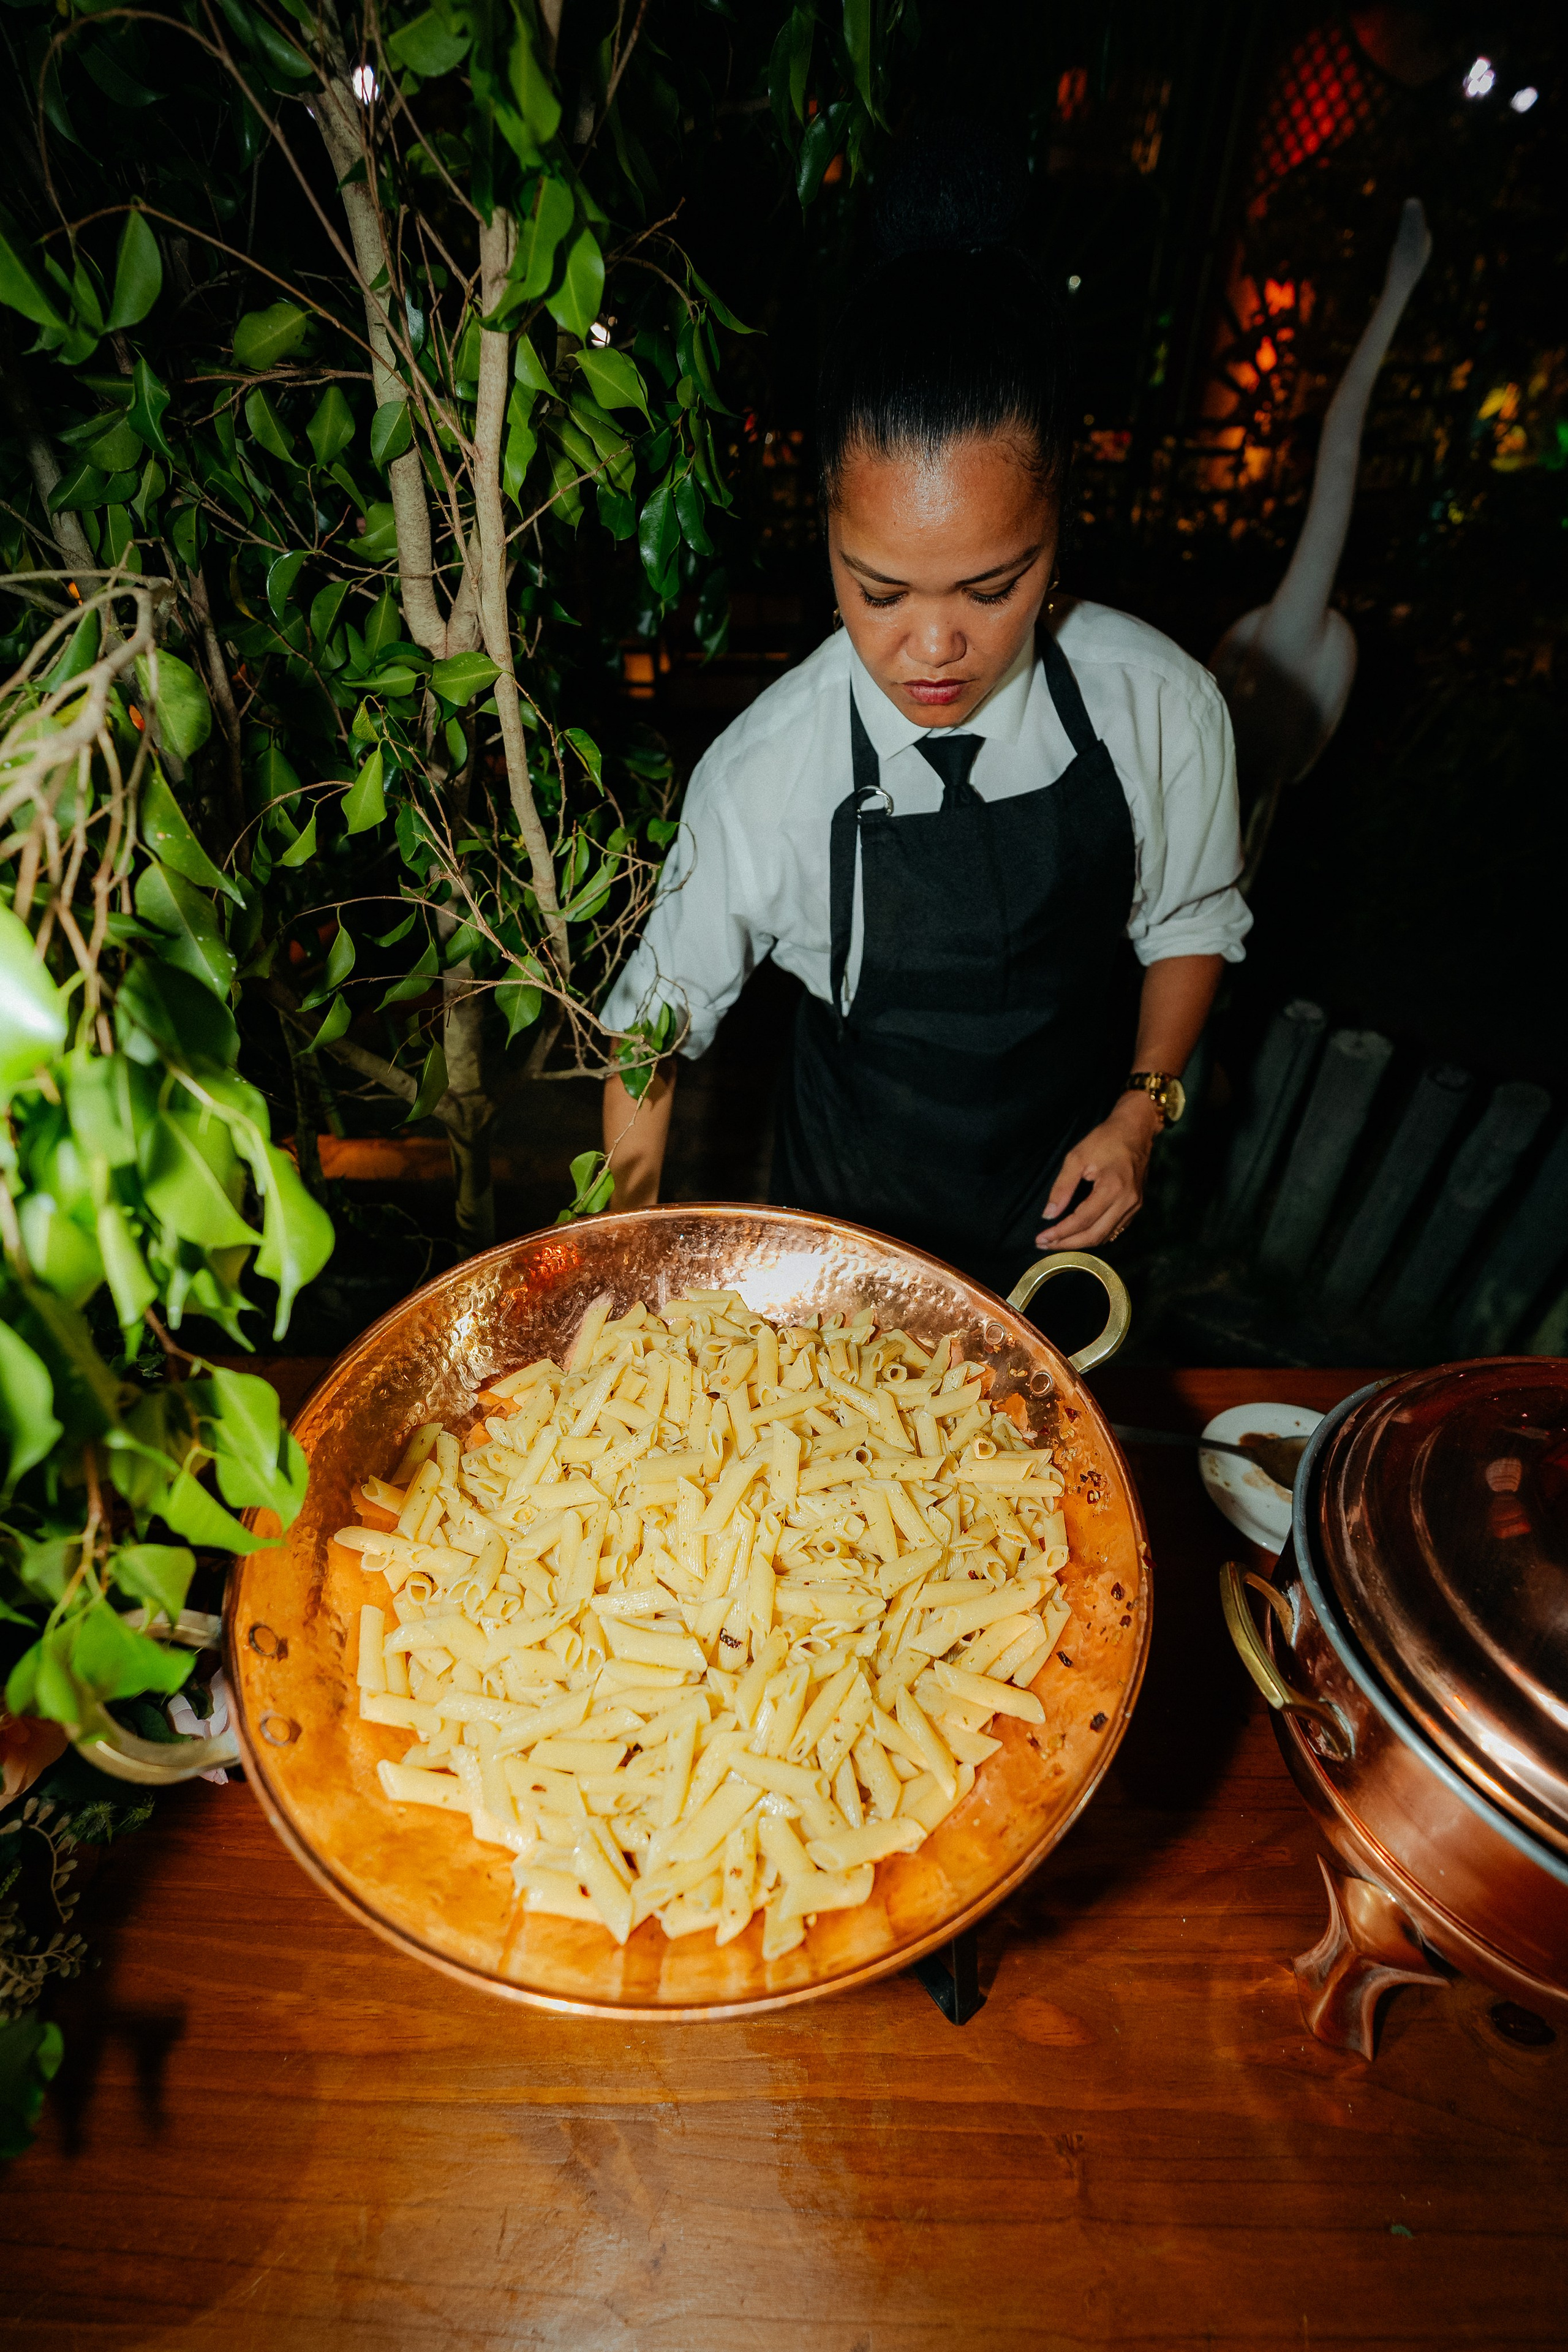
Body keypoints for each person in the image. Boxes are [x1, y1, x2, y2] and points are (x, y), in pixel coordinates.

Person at [600, 143, 1249, 1302]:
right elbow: (656, 1021)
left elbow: (1190, 919)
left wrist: (1143, 1109)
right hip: (833, 1256)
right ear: (827, 539)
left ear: (1060, 528)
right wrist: (625, 1255)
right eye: (881, 592)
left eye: (994, 588)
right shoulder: (768, 769)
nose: (934, 647)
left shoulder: (1160, 705)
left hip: (1057, 1247)